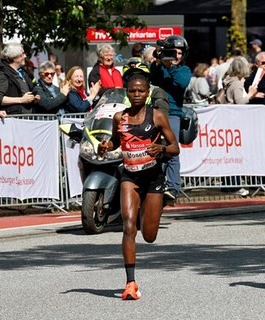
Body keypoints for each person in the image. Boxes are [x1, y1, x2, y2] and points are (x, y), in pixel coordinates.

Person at [97, 73, 180, 300]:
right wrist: (106, 146)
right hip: (130, 178)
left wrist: (161, 150)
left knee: (150, 235)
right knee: (128, 226)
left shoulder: (158, 117)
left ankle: (153, 206)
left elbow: (175, 148)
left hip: (153, 179)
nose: (136, 95)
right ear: (126, 92)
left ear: (147, 93)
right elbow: (115, 140)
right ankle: (130, 282)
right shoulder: (119, 117)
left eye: (140, 91)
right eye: (132, 91)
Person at [149, 35, 192, 201]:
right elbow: (151, 77)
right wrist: (158, 61)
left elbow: (181, 83)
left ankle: (173, 187)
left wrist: (171, 66)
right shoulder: (160, 67)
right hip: (153, 112)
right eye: (173, 52)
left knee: (171, 149)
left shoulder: (184, 70)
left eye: (179, 52)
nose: (176, 55)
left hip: (172, 113)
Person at [220, 56, 258, 197]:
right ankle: (234, 184)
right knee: (235, 153)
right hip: (235, 122)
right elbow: (240, 102)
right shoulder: (236, 84)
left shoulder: (228, 81)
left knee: (229, 152)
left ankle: (228, 183)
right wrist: (251, 95)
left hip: (228, 120)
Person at [0, 43, 40, 114]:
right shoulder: (2, 74)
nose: (25, 56)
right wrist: (21, 100)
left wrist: (33, 98)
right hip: (13, 119)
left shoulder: (23, 73)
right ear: (14, 57)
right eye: (22, 54)